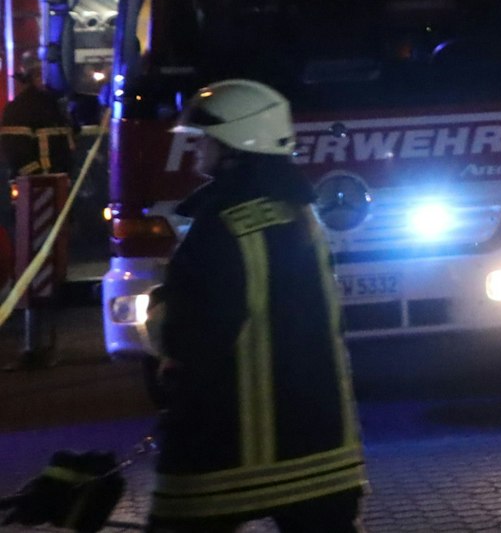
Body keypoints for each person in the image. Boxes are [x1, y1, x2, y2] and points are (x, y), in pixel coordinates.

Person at [144, 80, 366, 532]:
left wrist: (158, 313)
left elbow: (187, 336)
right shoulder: (302, 216)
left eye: (204, 139)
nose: (196, 150)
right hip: (324, 449)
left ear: (234, 144)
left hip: (222, 453)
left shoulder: (219, 227)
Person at [1, 65, 73, 177]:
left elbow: (70, 138)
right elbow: (15, 150)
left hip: (62, 179)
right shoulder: (19, 108)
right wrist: (35, 176)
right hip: (37, 183)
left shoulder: (54, 104)